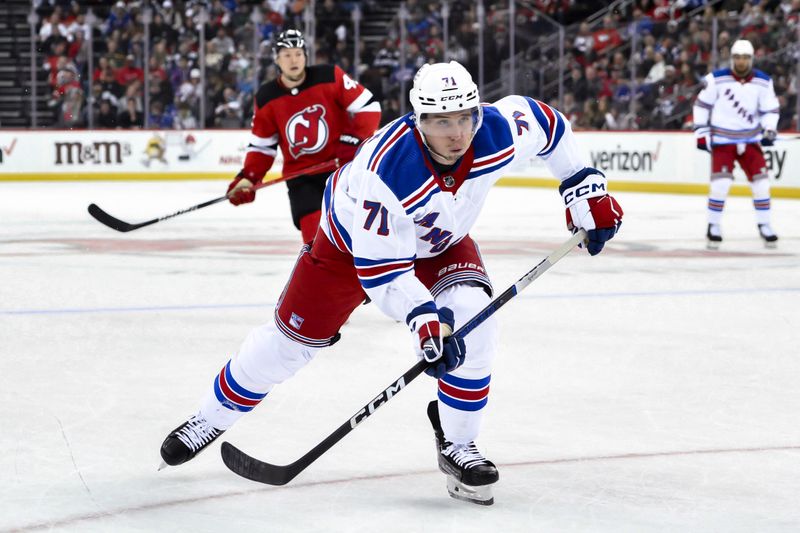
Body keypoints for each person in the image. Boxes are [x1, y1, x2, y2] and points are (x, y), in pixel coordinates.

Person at [160, 61, 623, 505]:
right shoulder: (386, 171)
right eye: (442, 121)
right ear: (419, 120)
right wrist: (425, 324)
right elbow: (384, 272)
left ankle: (459, 444)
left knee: (474, 323)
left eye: (465, 116)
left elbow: (551, 127)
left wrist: (584, 188)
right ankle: (208, 419)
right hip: (347, 251)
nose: (458, 132)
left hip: (441, 243)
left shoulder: (497, 130)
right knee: (288, 346)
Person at [227, 29, 382, 243]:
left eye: (298, 53)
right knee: (317, 243)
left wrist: (354, 140)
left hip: (341, 172)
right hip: (301, 179)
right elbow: (262, 147)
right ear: (277, 59)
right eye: (287, 55)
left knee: (355, 240)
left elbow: (368, 106)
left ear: (306, 56)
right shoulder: (266, 97)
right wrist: (249, 177)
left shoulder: (329, 76)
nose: (294, 60)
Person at [693, 39, 780, 249]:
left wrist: (769, 129)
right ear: (732, 58)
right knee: (720, 185)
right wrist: (701, 132)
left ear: (751, 59)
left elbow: (770, 109)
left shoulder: (763, 81)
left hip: (751, 140)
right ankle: (713, 226)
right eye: (738, 57)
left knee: (762, 184)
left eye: (745, 58)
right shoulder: (715, 80)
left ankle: (765, 225)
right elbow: (701, 106)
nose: (741, 62)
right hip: (723, 141)